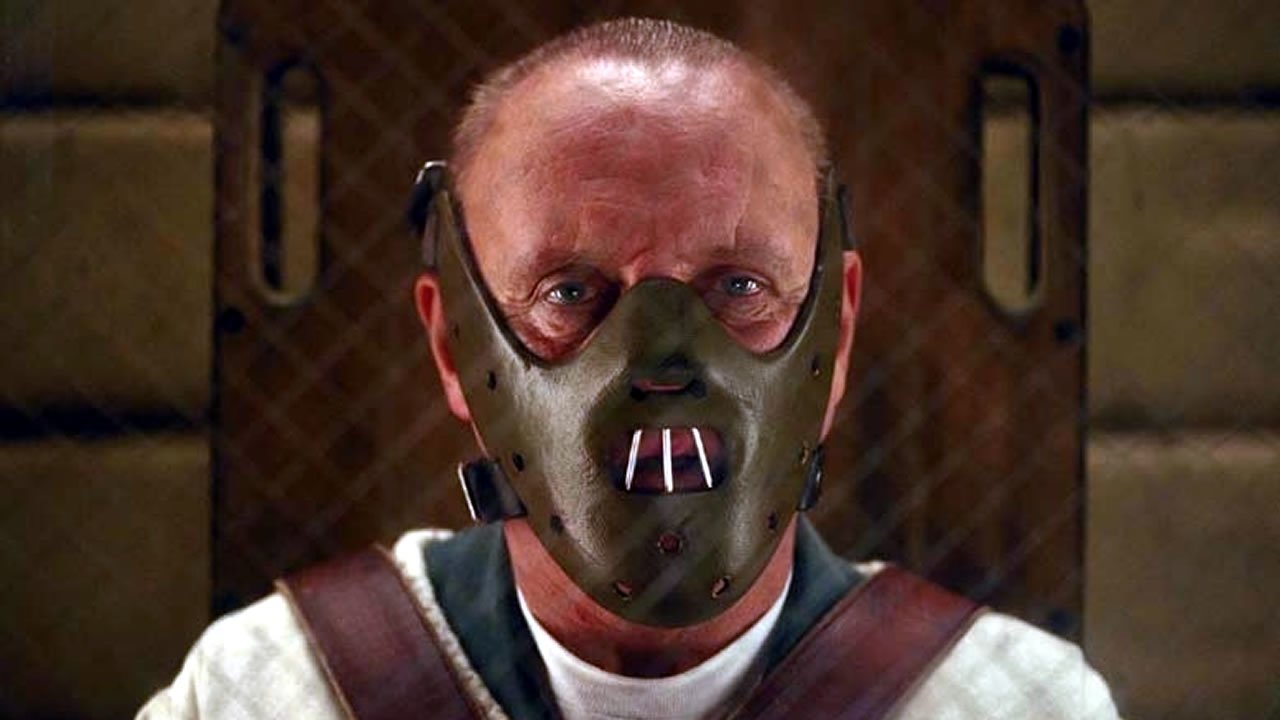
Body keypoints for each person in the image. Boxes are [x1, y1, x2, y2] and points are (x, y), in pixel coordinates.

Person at [139, 17, 1117, 720]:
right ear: (451, 345)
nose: (661, 363)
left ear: (838, 325)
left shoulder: (1013, 703)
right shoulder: (264, 692)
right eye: (570, 291)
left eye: (737, 286)